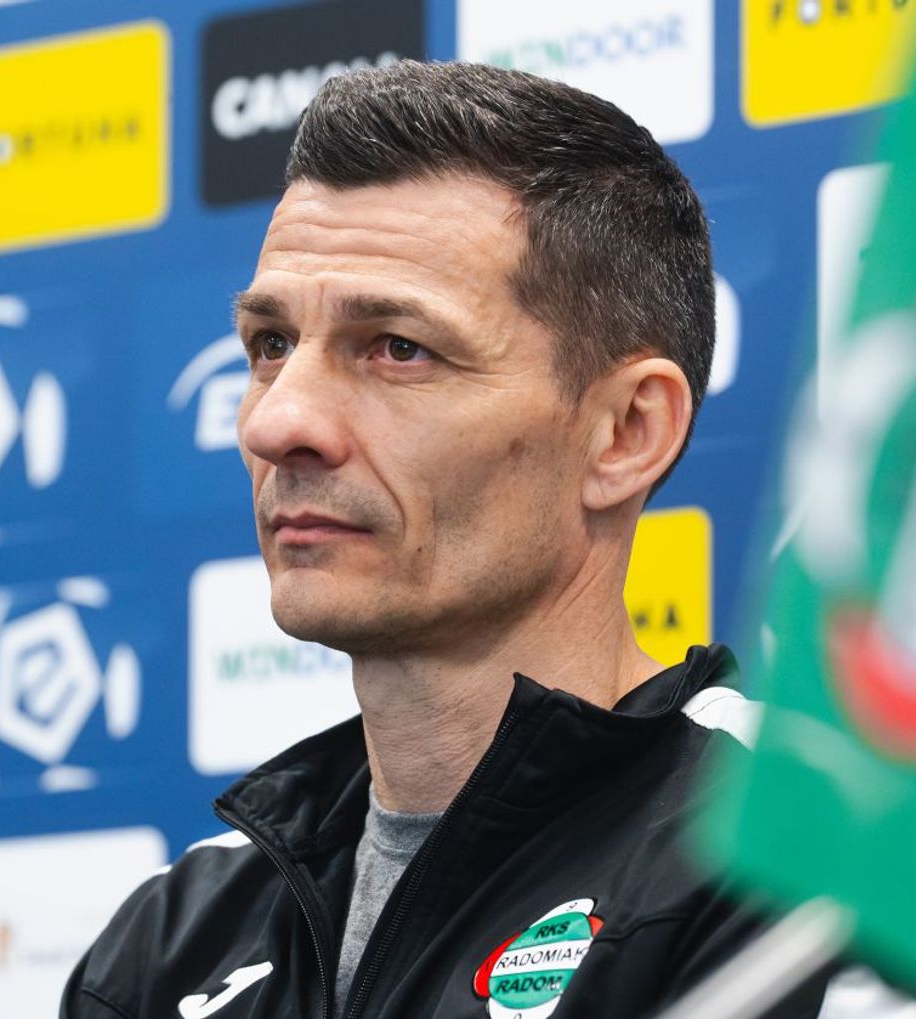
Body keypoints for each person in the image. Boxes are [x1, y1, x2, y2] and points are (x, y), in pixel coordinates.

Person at [61, 59, 832, 1019]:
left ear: (626, 433)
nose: (276, 422)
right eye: (270, 345)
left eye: (398, 348)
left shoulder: (803, 856)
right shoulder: (173, 939)